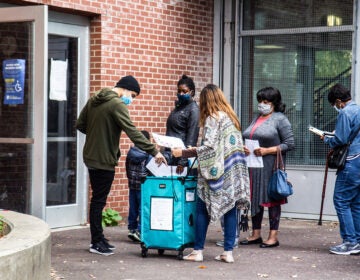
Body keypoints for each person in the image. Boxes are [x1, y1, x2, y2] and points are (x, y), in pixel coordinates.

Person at [76, 75, 167, 256]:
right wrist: (154, 151)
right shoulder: (117, 104)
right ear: (124, 88)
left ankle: (99, 238)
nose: (131, 100)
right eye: (132, 95)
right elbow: (133, 132)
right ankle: (96, 242)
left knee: (97, 199)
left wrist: (99, 133)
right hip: (104, 159)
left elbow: (81, 124)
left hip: (91, 156)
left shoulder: (95, 99)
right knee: (98, 201)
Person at [172, 84, 250, 263]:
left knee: (202, 208)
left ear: (206, 101)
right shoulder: (231, 118)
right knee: (230, 208)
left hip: (216, 172)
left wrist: (183, 152)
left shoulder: (212, 118)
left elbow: (209, 148)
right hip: (233, 172)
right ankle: (228, 252)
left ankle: (197, 251)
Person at [241, 86, 295, 248]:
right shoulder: (257, 118)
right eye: (260, 101)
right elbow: (249, 136)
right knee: (255, 198)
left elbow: (290, 144)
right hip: (253, 166)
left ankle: (273, 236)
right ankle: (255, 233)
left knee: (272, 199)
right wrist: (245, 147)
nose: (262, 105)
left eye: (265, 102)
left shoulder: (280, 119)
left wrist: (267, 150)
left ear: (274, 103)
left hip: (270, 166)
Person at [321, 83, 360, 255]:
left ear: (339, 101)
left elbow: (340, 140)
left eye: (335, 105)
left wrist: (326, 138)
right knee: (356, 203)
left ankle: (349, 242)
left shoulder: (345, 112)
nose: (336, 108)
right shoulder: (358, 109)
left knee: (341, 200)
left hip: (350, 161)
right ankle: (357, 240)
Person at [165, 74, 200, 174]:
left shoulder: (194, 110)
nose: (180, 93)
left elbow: (192, 138)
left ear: (191, 92)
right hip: (171, 156)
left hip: (182, 161)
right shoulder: (177, 108)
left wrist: (183, 161)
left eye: (184, 91)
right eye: (179, 91)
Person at [125, 130, 152, 243]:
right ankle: (140, 231)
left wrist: (130, 179)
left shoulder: (130, 153)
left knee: (133, 208)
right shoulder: (148, 156)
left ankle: (132, 229)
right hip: (143, 186)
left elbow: (127, 169)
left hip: (132, 185)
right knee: (142, 209)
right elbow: (151, 171)